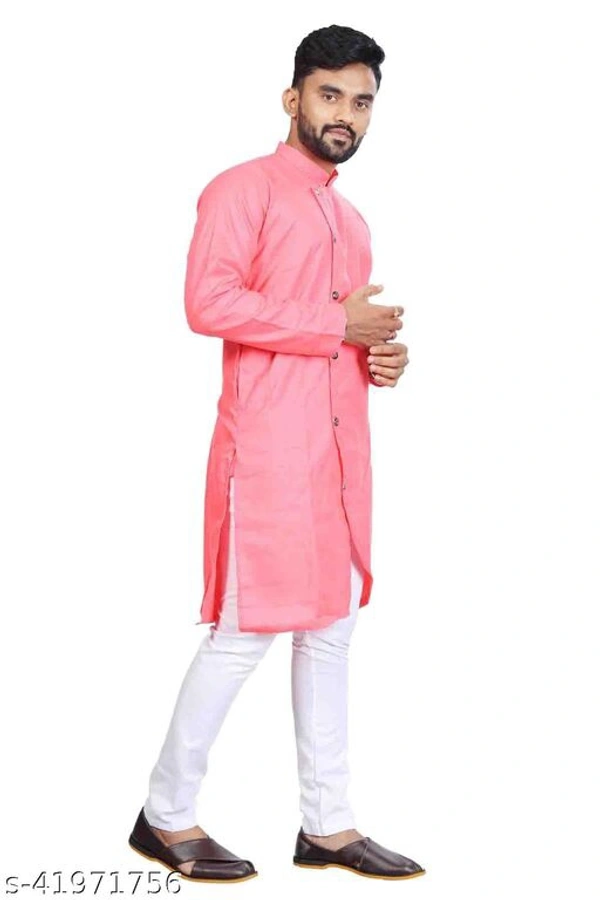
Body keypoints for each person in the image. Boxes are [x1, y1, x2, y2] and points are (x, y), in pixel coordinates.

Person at [128, 23, 424, 883]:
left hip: (338, 459)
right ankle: (165, 815)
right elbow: (208, 302)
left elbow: (336, 337)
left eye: (361, 102)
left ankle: (327, 826)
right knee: (243, 632)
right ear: (293, 97)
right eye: (330, 95)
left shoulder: (351, 220)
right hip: (265, 456)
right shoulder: (242, 190)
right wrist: (337, 325)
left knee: (331, 629)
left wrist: (377, 357)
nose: (345, 115)